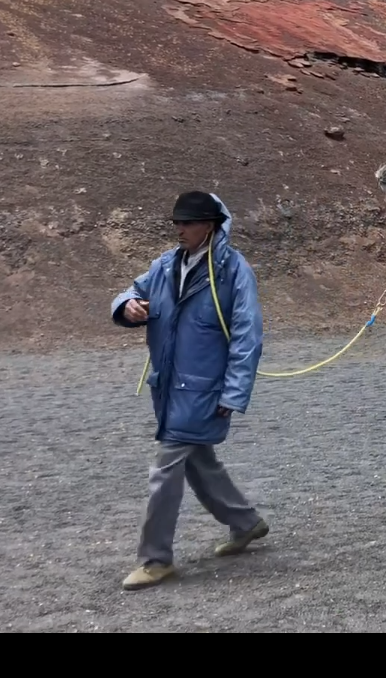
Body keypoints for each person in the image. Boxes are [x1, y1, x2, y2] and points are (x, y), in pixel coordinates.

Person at [111, 190, 268, 591]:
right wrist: (127, 306)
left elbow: (247, 337)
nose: (180, 228)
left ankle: (155, 559)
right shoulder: (164, 265)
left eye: (189, 222)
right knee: (200, 462)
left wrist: (233, 394)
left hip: (203, 390)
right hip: (167, 388)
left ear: (210, 226)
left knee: (165, 468)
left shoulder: (234, 270)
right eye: (177, 222)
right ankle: (247, 523)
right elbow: (131, 291)